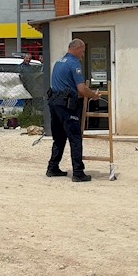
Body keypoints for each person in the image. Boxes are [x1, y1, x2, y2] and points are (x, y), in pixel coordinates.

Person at [46, 39, 100, 182]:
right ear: (76, 48)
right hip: (67, 105)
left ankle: (52, 167)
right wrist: (93, 95)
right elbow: (81, 88)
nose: (82, 54)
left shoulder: (59, 62)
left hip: (54, 102)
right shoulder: (74, 63)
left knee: (59, 137)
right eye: (82, 51)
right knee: (75, 138)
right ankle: (78, 172)